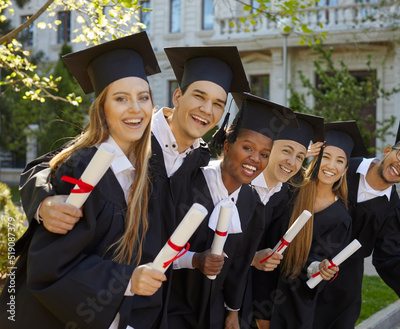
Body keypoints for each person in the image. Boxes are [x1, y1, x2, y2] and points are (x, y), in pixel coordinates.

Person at [15, 45, 250, 328]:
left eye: (217, 103)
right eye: (199, 96)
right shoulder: (130, 138)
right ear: (177, 96)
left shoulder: (190, 161)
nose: (206, 109)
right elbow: (51, 166)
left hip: (140, 307)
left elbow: (159, 234)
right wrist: (43, 202)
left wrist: (193, 259)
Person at [0, 32, 165, 328]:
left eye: (143, 97)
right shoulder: (81, 169)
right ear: (102, 108)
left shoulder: (144, 174)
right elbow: (49, 265)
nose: (135, 109)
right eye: (120, 99)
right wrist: (127, 281)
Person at [162, 92, 297, 329]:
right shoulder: (190, 183)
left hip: (213, 311)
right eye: (247, 147)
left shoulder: (250, 201)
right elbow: (156, 246)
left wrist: (233, 311)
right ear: (226, 145)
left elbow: (239, 265)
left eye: (264, 154)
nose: (255, 159)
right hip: (169, 305)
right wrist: (195, 260)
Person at [312, 119, 400, 329]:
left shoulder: (395, 212)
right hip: (302, 261)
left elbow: (387, 257)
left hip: (344, 283)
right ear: (388, 150)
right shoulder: (342, 167)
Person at [269, 121, 369, 329]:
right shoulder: (289, 190)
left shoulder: (341, 218)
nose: (331, 166)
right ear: (314, 157)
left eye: (339, 161)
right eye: (326, 156)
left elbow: (315, 260)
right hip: (260, 285)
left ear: (345, 169)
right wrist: (299, 155)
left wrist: (318, 267)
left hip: (294, 303)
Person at [240, 113, 324, 329]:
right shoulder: (238, 186)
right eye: (286, 151)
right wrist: (250, 258)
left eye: (300, 156)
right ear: (269, 148)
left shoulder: (286, 196)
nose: (292, 162)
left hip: (256, 304)